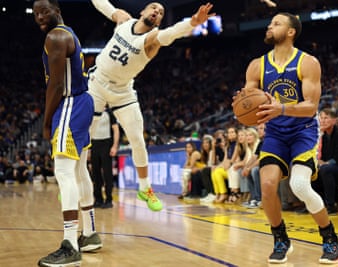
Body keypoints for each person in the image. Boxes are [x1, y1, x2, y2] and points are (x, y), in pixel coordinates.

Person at [88, 0, 214, 211]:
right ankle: (74, 183)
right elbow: (103, 4)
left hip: (123, 91)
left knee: (137, 138)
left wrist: (193, 22)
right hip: (97, 83)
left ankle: (145, 188)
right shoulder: (123, 20)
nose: (157, 11)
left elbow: (171, 33)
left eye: (161, 12)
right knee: (85, 134)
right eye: (154, 7)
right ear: (143, 11)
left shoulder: (152, 39)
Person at [240, 13, 338, 264]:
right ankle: (281, 239)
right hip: (275, 133)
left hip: (303, 131)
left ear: (291, 31)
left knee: (299, 186)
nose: (269, 25)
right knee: (266, 187)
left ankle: (329, 237)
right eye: (270, 22)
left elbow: (311, 106)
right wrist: (249, 110)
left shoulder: (308, 63)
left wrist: (281, 108)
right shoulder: (256, 65)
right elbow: (249, 103)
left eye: (276, 23)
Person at [33, 0, 102, 266]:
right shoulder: (68, 31)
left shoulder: (57, 36)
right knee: (79, 171)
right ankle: (91, 233)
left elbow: (57, 84)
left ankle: (70, 244)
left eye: (44, 10)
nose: (39, 16)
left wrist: (47, 120)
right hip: (82, 102)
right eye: (36, 12)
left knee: (63, 171)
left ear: (56, 9)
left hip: (70, 103)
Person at [90, 108, 120, 208]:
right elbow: (88, 130)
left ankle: (109, 199)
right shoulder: (91, 112)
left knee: (107, 173)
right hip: (94, 144)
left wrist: (115, 146)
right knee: (96, 173)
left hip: (106, 143)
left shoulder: (109, 113)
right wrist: (88, 148)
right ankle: (98, 199)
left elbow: (116, 130)